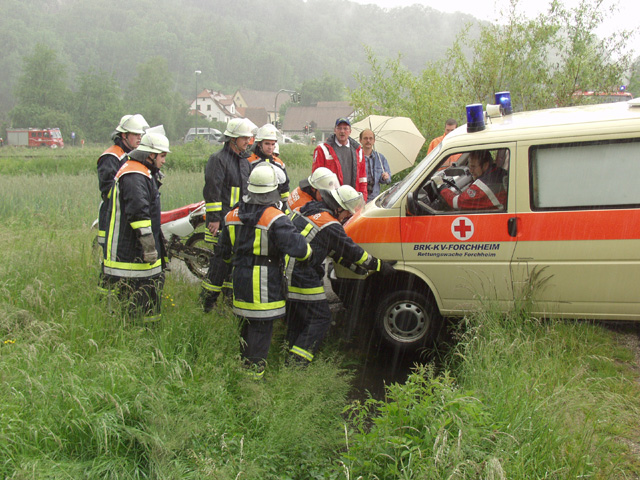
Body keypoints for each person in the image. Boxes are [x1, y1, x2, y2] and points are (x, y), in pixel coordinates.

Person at [213, 164, 312, 378]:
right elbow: (300, 250)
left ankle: (244, 374)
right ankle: (252, 386)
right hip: (265, 285)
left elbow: (224, 253)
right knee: (261, 336)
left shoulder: (231, 216)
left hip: (240, 283)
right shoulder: (275, 217)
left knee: (246, 332)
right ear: (273, 190)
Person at [284, 185, 395, 365]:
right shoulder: (330, 224)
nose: (347, 218)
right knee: (321, 318)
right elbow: (353, 251)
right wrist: (380, 266)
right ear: (339, 208)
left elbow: (332, 250)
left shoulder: (311, 209)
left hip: (287, 271)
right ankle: (297, 364)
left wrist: (359, 269)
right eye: (347, 214)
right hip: (299, 274)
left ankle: (289, 356)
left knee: (298, 318)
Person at [102, 126, 170, 323]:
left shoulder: (142, 171)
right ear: (150, 155)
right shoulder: (134, 175)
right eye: (162, 156)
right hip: (129, 254)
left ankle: (147, 334)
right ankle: (139, 337)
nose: (164, 161)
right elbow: (139, 214)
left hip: (134, 252)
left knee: (147, 299)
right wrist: (149, 246)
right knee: (137, 303)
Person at [201, 117, 258, 312]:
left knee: (234, 261)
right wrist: (215, 219)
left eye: (249, 138)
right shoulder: (218, 160)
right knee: (220, 262)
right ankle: (207, 301)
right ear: (232, 139)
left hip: (237, 221)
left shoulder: (244, 161)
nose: (248, 142)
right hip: (222, 220)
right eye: (244, 138)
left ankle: (228, 300)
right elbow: (212, 191)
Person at [96, 114, 149, 251]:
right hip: (112, 215)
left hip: (127, 215)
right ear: (124, 135)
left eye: (140, 135)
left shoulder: (131, 155)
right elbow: (108, 190)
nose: (139, 138)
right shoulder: (111, 156)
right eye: (136, 134)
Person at [312, 117, 368, 201]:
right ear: (335, 130)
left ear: (350, 131)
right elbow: (316, 178)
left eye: (345, 128)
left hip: (351, 200)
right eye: (339, 128)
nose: (342, 131)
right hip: (330, 200)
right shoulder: (322, 149)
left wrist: (362, 200)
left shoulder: (358, 150)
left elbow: (362, 179)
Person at [435, 150, 507, 210]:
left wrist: (441, 186)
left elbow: (455, 202)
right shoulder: (499, 172)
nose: (471, 171)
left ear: (485, 165)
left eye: (473, 167)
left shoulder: (482, 186)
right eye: (469, 167)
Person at [247, 123, 290, 208]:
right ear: (259, 144)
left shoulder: (279, 163)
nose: (270, 147)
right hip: (254, 207)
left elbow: (285, 188)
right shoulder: (249, 162)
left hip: (275, 207)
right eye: (267, 143)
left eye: (273, 144)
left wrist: (285, 207)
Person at [359, 129, 392, 201]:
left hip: (375, 199)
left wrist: (385, 177)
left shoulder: (380, 158)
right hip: (359, 198)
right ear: (360, 140)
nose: (368, 140)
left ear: (374, 141)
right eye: (365, 138)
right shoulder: (356, 158)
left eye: (371, 138)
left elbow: (388, 181)